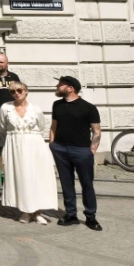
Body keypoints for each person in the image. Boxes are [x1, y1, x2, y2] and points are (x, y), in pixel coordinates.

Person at [0, 81, 59, 224]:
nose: (16, 93)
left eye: (19, 90)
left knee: (36, 177)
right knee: (21, 177)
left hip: (34, 145)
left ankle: (37, 210)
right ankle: (26, 211)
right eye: (13, 91)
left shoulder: (35, 109)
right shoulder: (5, 108)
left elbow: (42, 126)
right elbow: (2, 128)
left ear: (26, 91)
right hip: (14, 145)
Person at [49, 75, 102, 230]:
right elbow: (54, 126)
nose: (57, 87)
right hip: (60, 149)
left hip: (82, 150)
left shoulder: (88, 107)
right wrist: (52, 144)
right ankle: (71, 214)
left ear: (70, 88)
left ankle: (91, 217)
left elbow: (96, 131)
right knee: (67, 184)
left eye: (61, 85)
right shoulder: (57, 105)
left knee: (87, 184)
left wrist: (91, 150)